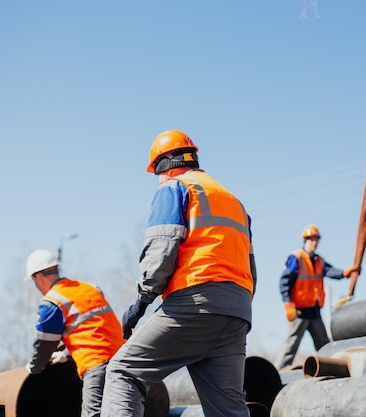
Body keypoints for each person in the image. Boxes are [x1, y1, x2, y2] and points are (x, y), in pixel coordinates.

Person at [100, 130, 257, 417]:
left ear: (165, 164)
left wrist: (140, 305)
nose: (157, 180)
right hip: (237, 310)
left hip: (194, 303)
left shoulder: (175, 188)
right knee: (228, 409)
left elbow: (161, 253)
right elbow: (251, 269)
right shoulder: (235, 203)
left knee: (123, 371)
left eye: (156, 173)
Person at [24, 249, 125, 417]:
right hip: (122, 360)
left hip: (96, 365)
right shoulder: (90, 289)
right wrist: (66, 354)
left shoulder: (52, 302)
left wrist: (34, 367)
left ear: (38, 278)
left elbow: (45, 344)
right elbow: (95, 330)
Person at [274, 224, 355, 370]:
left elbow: (330, 271)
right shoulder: (296, 258)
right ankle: (278, 372)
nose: (314, 243)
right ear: (305, 240)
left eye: (316, 240)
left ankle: (331, 368)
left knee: (324, 344)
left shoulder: (319, 261)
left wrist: (344, 273)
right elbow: (284, 282)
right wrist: (288, 304)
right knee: (291, 345)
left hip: (314, 311)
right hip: (299, 311)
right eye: (311, 239)